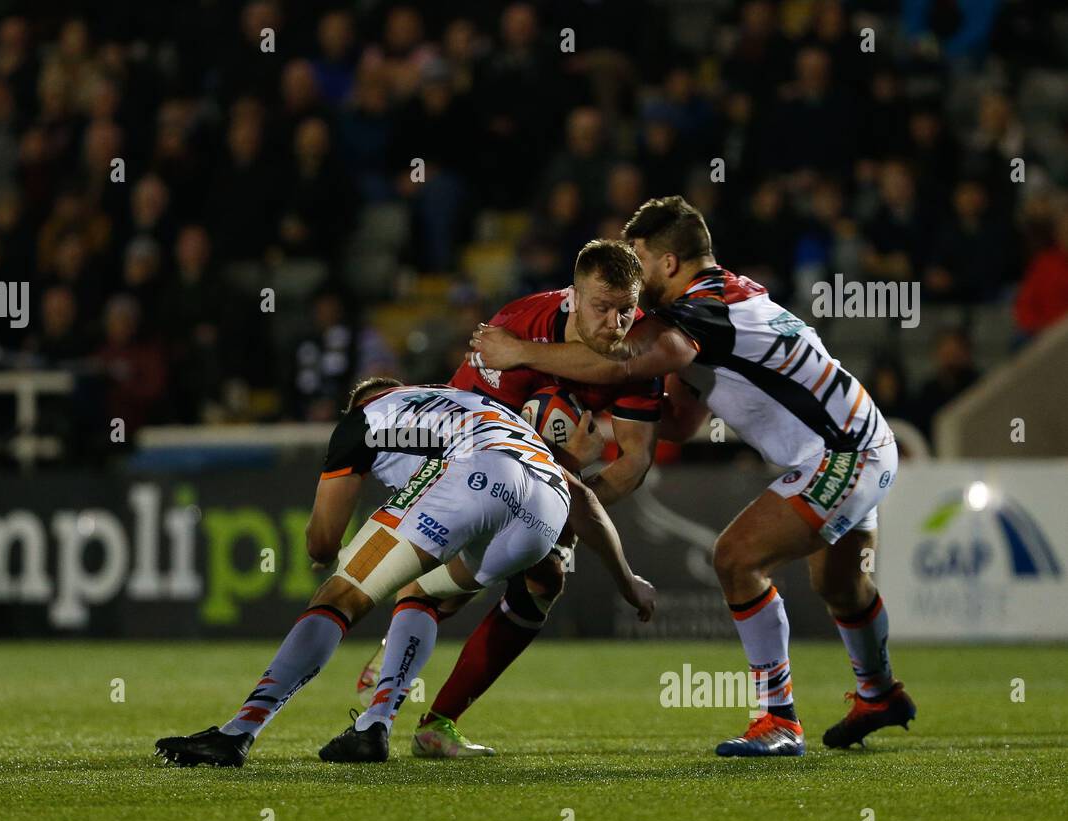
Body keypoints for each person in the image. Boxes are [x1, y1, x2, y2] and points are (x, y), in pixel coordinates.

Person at [472, 195, 915, 757]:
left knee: (735, 558)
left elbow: (626, 360)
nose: (631, 278)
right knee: (840, 585)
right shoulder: (724, 303)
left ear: (668, 265)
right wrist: (607, 427)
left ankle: (778, 720)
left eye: (637, 260)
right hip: (857, 442)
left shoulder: (700, 311)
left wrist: (520, 353)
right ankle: (879, 695)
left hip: (842, 451)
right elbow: (679, 421)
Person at [155, 378, 655, 767]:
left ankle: (238, 733)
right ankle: (375, 723)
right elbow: (584, 500)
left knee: (341, 593)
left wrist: (329, 547)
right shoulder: (471, 405)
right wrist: (627, 582)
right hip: (543, 515)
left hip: (478, 475)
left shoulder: (363, 419)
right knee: (423, 593)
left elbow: (323, 543)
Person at [355, 239, 664, 758]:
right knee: (448, 586)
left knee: (544, 581)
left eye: (626, 309)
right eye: (601, 307)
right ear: (572, 297)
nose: (615, 323)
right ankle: (388, 689)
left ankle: (435, 722)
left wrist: (564, 500)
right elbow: (471, 437)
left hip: (554, 483)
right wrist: (564, 476)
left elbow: (634, 459)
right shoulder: (516, 330)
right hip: (471, 465)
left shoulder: (638, 356)